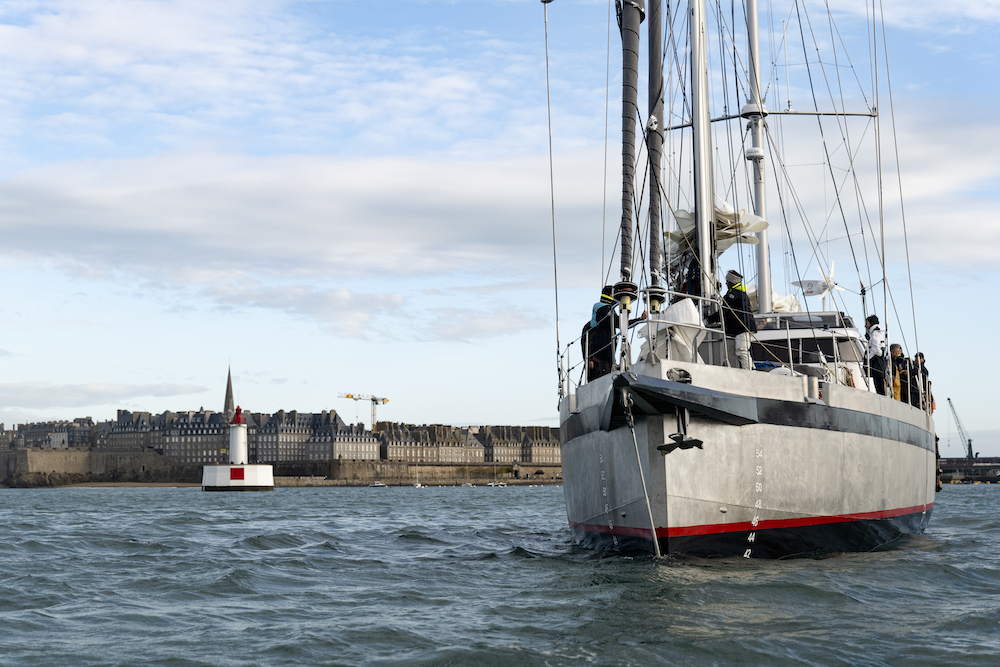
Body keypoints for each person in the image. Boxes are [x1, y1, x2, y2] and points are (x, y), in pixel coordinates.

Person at [708, 270, 757, 370]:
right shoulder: (738, 294)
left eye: (727, 281)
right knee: (743, 350)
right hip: (744, 326)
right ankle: (752, 369)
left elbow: (725, 311)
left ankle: (749, 373)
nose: (726, 283)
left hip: (742, 327)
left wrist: (710, 319)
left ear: (731, 282)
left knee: (741, 350)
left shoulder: (733, 295)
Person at [582, 285, 617, 381]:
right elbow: (618, 323)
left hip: (604, 354)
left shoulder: (592, 323)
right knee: (604, 377)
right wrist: (590, 359)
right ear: (611, 295)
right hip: (602, 355)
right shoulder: (605, 311)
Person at [864, 315, 887, 395]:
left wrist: (868, 357)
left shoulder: (875, 334)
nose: (865, 326)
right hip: (879, 363)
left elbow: (877, 351)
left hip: (877, 364)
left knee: (879, 386)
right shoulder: (876, 334)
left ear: (871, 323)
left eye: (866, 323)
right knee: (878, 386)